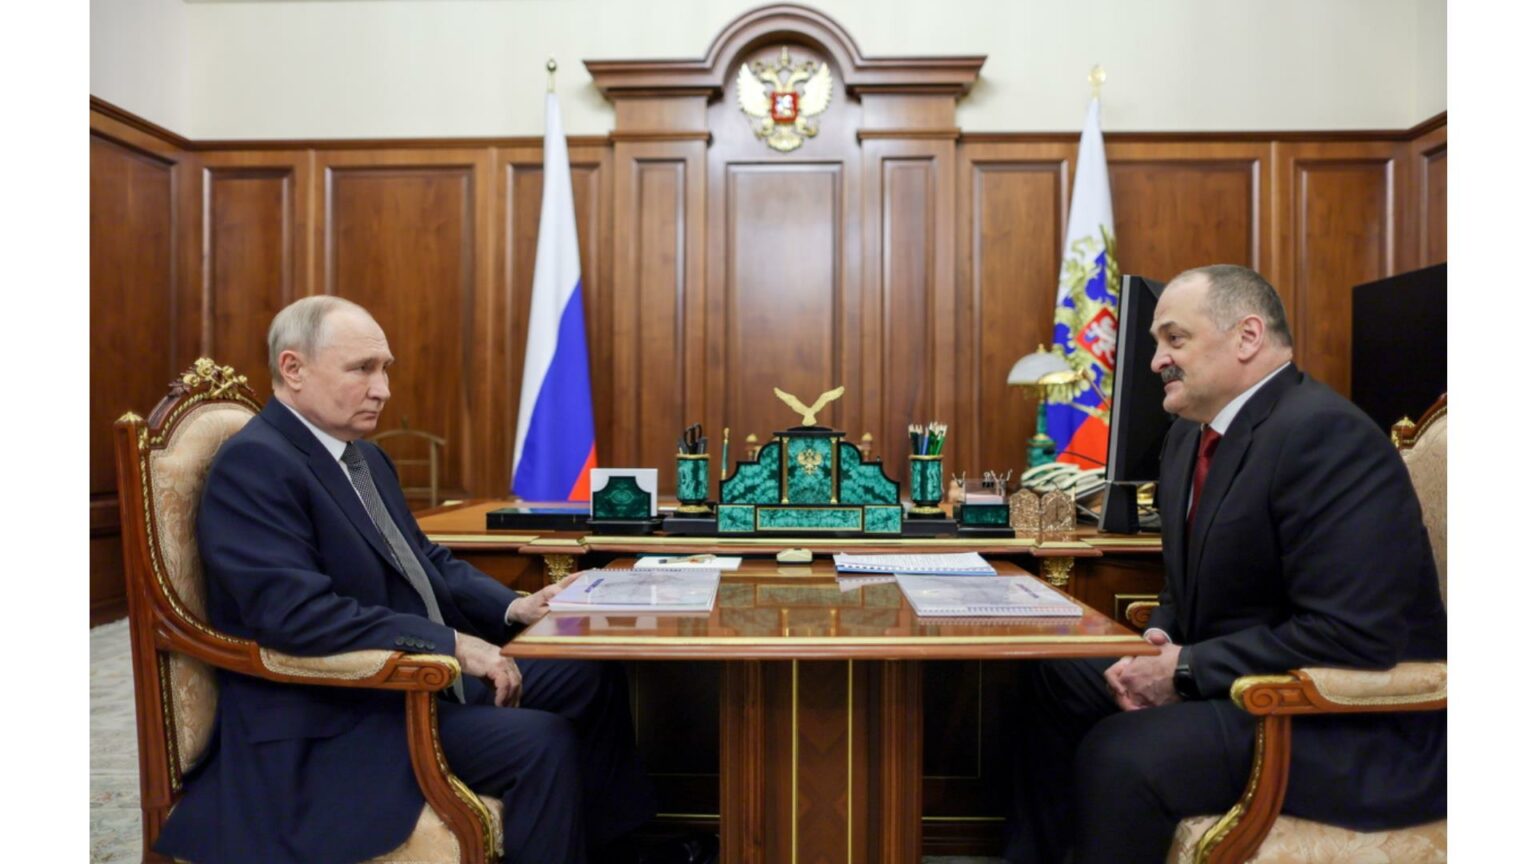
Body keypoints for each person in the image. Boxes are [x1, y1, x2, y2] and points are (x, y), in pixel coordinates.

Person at [155, 296, 675, 863]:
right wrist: (451, 644)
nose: (383, 389)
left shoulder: (363, 458)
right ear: (293, 368)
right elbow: (295, 614)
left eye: (385, 369)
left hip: (414, 681)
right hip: (341, 711)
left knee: (586, 675)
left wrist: (514, 608)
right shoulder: (256, 464)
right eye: (362, 369)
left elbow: (423, 559)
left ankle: (616, 850)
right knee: (539, 743)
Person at [1004, 265, 1447, 863]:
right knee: (1054, 675)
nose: (1156, 361)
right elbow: (1185, 590)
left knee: (1122, 753)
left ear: (1247, 337)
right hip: (1234, 684)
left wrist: (1184, 670)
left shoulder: (1327, 435)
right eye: (1157, 343)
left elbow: (1353, 635)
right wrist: (1161, 640)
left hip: (1341, 723)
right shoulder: (1188, 438)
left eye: (1175, 339)